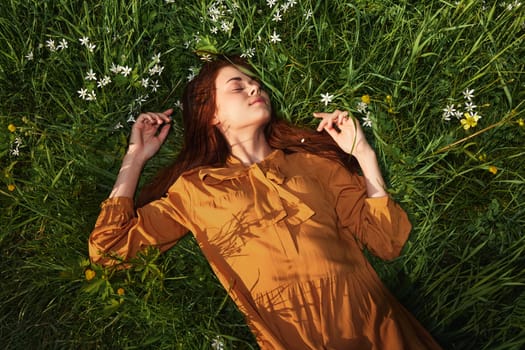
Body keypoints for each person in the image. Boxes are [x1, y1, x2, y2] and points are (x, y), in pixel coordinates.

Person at [89, 55, 442, 349]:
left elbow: (386, 241)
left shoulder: (313, 164)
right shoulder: (195, 191)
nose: (255, 87)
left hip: (376, 324)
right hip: (293, 334)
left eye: (254, 82)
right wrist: (135, 158)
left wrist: (363, 155)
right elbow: (109, 252)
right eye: (237, 86)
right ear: (210, 113)